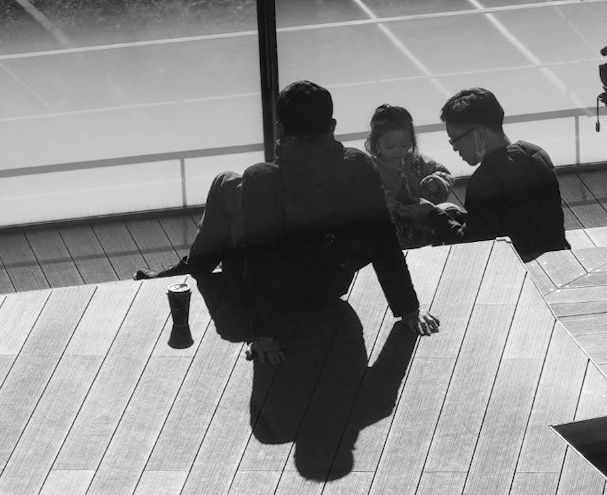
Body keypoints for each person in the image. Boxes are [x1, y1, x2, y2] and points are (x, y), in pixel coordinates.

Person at [162, 82, 437, 357]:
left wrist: (263, 333)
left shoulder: (261, 179)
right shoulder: (358, 165)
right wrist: (408, 309)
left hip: (282, 293)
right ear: (331, 126)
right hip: (330, 287)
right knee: (235, 189)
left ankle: (193, 267)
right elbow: (383, 240)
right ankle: (192, 265)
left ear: (280, 129)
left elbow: (261, 260)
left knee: (225, 183)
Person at [437, 87, 569, 260]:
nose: (454, 147)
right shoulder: (536, 154)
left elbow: (472, 246)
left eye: (455, 139)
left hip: (518, 269)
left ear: (478, 133)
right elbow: (516, 220)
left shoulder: (484, 180)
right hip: (556, 259)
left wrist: (434, 216)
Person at [363, 103, 463, 245]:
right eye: (390, 147)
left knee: (452, 210)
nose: (398, 151)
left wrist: (435, 181)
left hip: (427, 220)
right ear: (376, 143)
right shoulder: (372, 169)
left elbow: (444, 173)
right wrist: (384, 202)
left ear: (411, 141)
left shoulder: (417, 161)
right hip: (397, 229)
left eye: (404, 145)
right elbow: (365, 196)